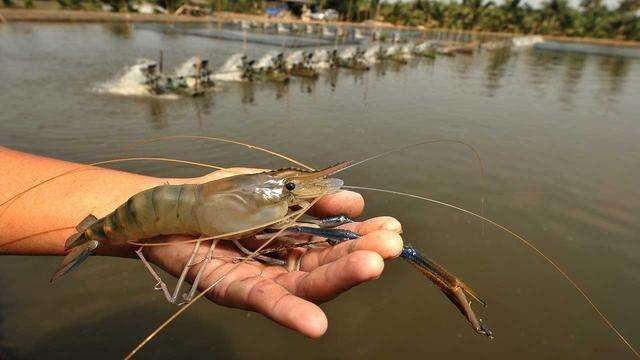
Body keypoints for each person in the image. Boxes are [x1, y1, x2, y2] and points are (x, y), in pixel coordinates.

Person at [0, 146, 403, 338]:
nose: (295, 193)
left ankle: (92, 235)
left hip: (162, 211)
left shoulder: (254, 196)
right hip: (142, 217)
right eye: (290, 187)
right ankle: (91, 237)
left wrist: (286, 191)